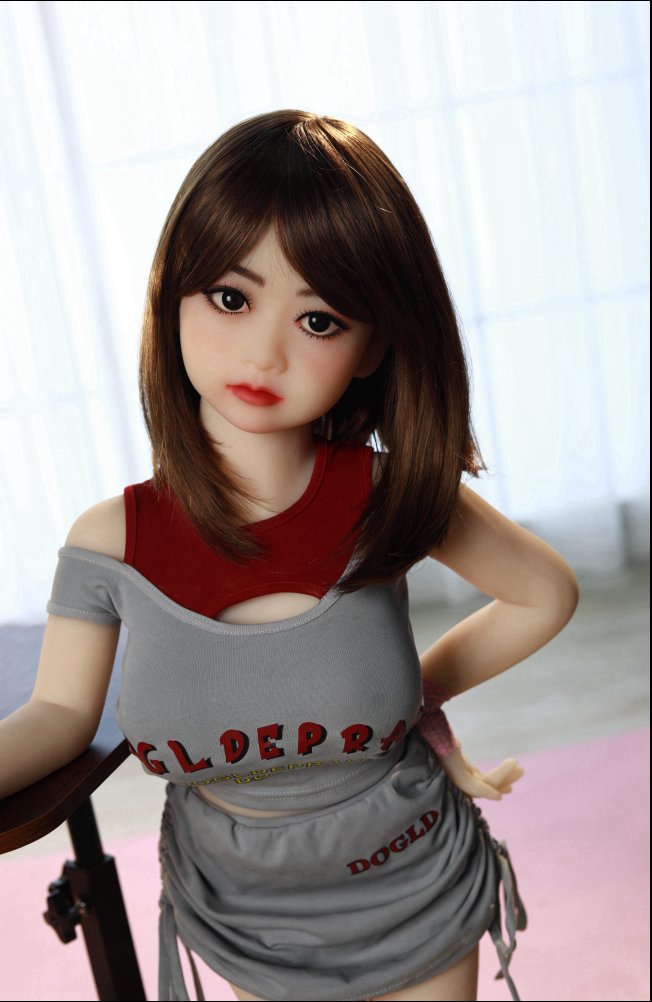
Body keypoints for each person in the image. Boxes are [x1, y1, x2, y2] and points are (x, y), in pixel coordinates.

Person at [0, 109, 579, 1002]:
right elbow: (58, 716)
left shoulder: (385, 495)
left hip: (412, 878)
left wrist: (417, 692)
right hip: (245, 907)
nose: (263, 353)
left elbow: (545, 593)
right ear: (172, 297)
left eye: (318, 319)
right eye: (231, 299)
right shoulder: (112, 542)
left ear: (374, 344)